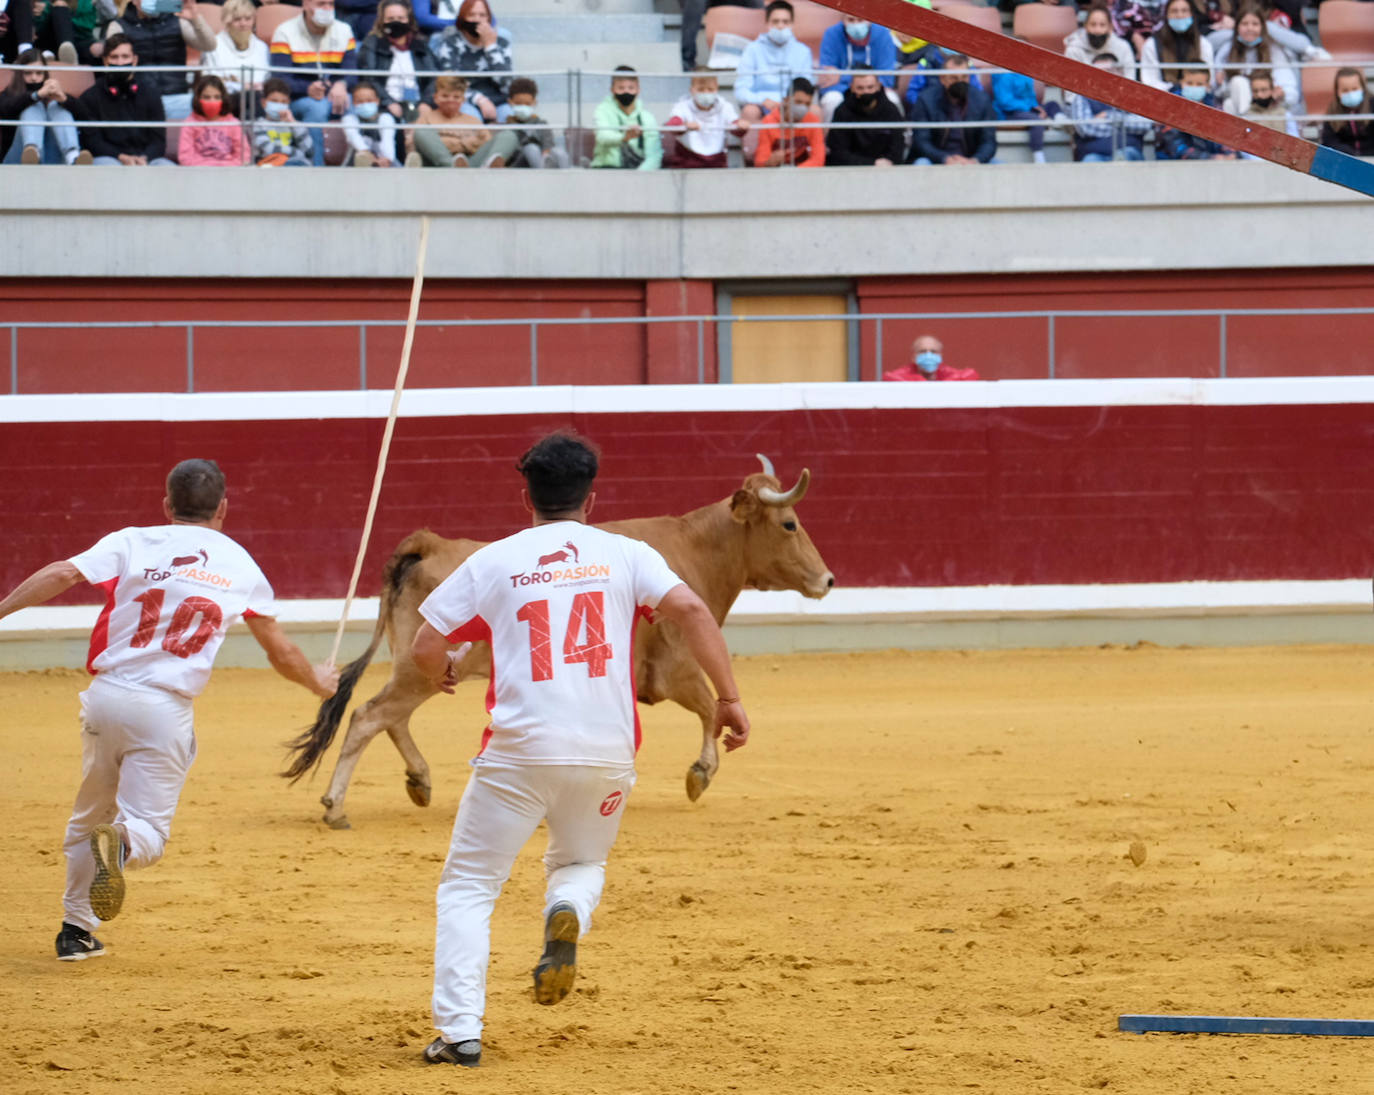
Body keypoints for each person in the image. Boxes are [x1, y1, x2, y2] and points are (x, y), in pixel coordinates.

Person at [412, 431, 749, 1068]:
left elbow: (428, 645)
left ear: (526, 497)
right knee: (579, 864)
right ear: (591, 501)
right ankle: (566, 907)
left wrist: (441, 673)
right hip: (606, 752)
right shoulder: (628, 554)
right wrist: (727, 699)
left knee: (470, 886)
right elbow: (696, 614)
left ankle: (459, 1033)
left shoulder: (496, 560)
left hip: (517, 751)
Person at [0, 459, 339, 962]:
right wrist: (320, 682)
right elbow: (280, 652)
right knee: (146, 831)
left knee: (87, 816)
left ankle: (75, 931)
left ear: (166, 504)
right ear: (223, 507)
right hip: (163, 708)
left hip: (106, 696)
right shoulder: (240, 564)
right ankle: (122, 844)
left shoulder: (134, 539)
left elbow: (62, 572)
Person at [269, 0, 358, 167]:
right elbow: (279, 79)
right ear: (305, 4)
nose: (327, 9)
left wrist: (342, 84)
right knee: (316, 108)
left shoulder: (344, 30)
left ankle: (361, 159)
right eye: (321, 4)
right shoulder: (284, 32)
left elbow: (352, 74)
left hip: (333, 95)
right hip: (298, 99)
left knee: (355, 103)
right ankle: (316, 168)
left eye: (331, 4)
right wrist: (306, 89)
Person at [68, 33, 175, 165]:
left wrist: (145, 158)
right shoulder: (90, 97)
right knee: (107, 165)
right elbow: (93, 142)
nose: (120, 63)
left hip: (146, 160)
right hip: (110, 159)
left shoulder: (151, 93)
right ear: (105, 61)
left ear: (134, 60)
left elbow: (158, 141)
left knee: (167, 167)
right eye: (114, 57)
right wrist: (120, 156)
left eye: (125, 57)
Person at [104, 0, 215, 122]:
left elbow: (209, 46)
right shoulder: (119, 26)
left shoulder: (178, 21)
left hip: (177, 97)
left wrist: (195, 18)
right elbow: (111, 60)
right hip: (139, 99)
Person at [734, 0, 813, 156]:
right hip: (761, 104)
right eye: (775, 21)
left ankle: (807, 156)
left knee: (815, 110)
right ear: (767, 24)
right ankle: (755, 159)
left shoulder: (803, 51)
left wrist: (787, 103)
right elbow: (740, 91)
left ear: (792, 24)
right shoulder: (752, 50)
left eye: (785, 21)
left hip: (792, 103)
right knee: (749, 111)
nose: (780, 26)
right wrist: (763, 100)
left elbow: (805, 88)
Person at [1, 46, 92, 164]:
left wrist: (64, 99)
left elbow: (86, 116)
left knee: (56, 105)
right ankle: (32, 151)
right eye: (28, 73)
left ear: (45, 73)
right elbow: (4, 108)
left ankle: (72, 156)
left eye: (39, 73)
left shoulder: (53, 93)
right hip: (17, 157)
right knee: (33, 106)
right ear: (20, 73)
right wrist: (35, 96)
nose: (34, 78)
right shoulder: (10, 93)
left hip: (52, 156)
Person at [405, 72, 515, 166]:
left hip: (470, 164)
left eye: (456, 97)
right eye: (445, 96)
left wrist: (448, 143)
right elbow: (414, 146)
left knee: (508, 135)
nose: (450, 100)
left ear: (463, 99)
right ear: (436, 97)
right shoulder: (426, 118)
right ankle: (452, 166)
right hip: (438, 166)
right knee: (421, 131)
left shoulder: (473, 121)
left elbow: (485, 144)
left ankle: (484, 168)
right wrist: (465, 144)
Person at [356, 0, 437, 124]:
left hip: (418, 103)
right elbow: (369, 78)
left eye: (401, 18)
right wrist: (388, 102)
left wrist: (426, 102)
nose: (396, 22)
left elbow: (434, 77)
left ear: (409, 20)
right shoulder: (372, 44)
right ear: (382, 21)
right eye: (390, 18)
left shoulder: (421, 45)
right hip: (385, 106)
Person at [908, 53, 996, 166]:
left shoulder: (982, 100)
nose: (960, 82)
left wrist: (975, 160)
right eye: (954, 78)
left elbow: (988, 141)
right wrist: (945, 159)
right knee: (921, 164)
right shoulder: (926, 100)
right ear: (942, 79)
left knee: (1000, 166)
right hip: (936, 160)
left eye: (964, 77)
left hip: (970, 160)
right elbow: (921, 141)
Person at [430, 0, 512, 122]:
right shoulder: (450, 43)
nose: (477, 20)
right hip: (463, 100)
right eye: (472, 15)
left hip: (498, 101)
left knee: (510, 118)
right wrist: (480, 100)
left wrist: (490, 47)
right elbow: (451, 83)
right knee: (472, 120)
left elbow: (506, 84)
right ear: (463, 18)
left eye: (482, 15)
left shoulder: (501, 43)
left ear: (489, 19)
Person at [1213, 5, 1297, 117]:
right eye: (1245, 24)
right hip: (1237, 106)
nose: (1250, 28)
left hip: (1266, 107)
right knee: (1231, 98)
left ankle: (1250, 125)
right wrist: (1221, 83)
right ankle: (1249, 124)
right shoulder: (1227, 50)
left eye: (1255, 24)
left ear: (1262, 27)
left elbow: (1290, 90)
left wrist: (1282, 94)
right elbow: (1216, 91)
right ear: (1237, 27)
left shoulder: (1273, 51)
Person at [816, 12, 897, 125]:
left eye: (860, 20)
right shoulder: (831, 34)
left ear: (869, 20)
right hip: (842, 91)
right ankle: (829, 142)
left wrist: (841, 76)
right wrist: (857, 83)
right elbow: (826, 79)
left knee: (892, 99)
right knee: (831, 100)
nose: (856, 24)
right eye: (851, 20)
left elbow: (887, 79)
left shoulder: (883, 34)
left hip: (873, 90)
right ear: (843, 19)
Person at [1069, 53, 1152, 161]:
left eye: (1108, 72)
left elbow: (1145, 125)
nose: (1102, 76)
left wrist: (1108, 116)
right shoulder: (1081, 97)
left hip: (1127, 151)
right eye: (1097, 72)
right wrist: (1122, 127)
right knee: (1091, 161)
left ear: (1120, 73)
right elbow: (1086, 128)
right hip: (1093, 154)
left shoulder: (1133, 97)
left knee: (1126, 155)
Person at [664, 69, 747, 169]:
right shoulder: (682, 106)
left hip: (717, 161)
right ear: (692, 90)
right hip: (688, 160)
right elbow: (672, 126)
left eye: (710, 89)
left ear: (717, 89)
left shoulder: (725, 107)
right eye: (701, 89)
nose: (706, 93)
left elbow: (737, 129)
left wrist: (742, 126)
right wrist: (684, 126)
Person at [825, 66, 903, 167]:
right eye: (860, 88)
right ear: (852, 87)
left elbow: (897, 150)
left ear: (878, 86)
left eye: (870, 87)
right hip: (850, 172)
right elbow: (837, 153)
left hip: (885, 170)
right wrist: (872, 163)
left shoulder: (891, 111)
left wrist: (884, 163)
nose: (866, 92)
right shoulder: (842, 112)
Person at [1155, 67, 1236, 158]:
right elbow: (1174, 146)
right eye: (1189, 83)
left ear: (1207, 85)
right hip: (1175, 164)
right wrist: (1210, 158)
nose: (1194, 87)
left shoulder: (1214, 105)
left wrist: (1229, 153)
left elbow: (1223, 135)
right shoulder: (1170, 106)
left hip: (1210, 163)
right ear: (1181, 82)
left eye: (1199, 84)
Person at [592, 65, 661, 170]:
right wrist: (624, 137)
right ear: (612, 89)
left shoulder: (647, 118)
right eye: (621, 88)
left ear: (638, 89)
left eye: (631, 88)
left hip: (639, 175)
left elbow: (654, 155)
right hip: (606, 170)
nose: (626, 92)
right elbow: (602, 137)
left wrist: (636, 178)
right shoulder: (602, 111)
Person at [200, 0, 271, 100]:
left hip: (257, 100)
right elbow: (211, 84)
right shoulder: (214, 45)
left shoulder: (262, 47)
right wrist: (242, 87)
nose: (243, 24)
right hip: (226, 100)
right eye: (237, 19)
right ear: (227, 22)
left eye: (248, 19)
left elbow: (267, 80)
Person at [990, 67, 1061, 165]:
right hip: (1009, 113)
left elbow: (1030, 95)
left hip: (1027, 109)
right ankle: (1038, 156)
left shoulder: (1024, 72)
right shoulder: (1003, 75)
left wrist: (1036, 108)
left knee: (1053, 105)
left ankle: (1060, 122)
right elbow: (1005, 102)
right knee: (1035, 120)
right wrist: (1031, 109)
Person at [1140, 0, 1214, 93]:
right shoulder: (1152, 44)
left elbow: (1209, 79)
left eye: (1184, 11)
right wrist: (1175, 89)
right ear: (1166, 15)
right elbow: (1149, 81)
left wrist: (1191, 88)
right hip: (1163, 97)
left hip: (1197, 98)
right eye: (1174, 11)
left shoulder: (1203, 44)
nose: (1180, 15)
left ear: (1191, 14)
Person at [753, 75, 823, 167]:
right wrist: (770, 162)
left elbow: (818, 159)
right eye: (798, 102)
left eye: (807, 104)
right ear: (786, 100)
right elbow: (760, 162)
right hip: (775, 176)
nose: (803, 107)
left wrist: (794, 173)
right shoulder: (769, 122)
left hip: (804, 176)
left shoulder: (813, 121)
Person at [1064, 4, 1135, 94]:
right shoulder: (1074, 49)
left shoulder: (1123, 48)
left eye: (1102, 25)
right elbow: (1070, 90)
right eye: (1093, 25)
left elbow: (1130, 83)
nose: (1097, 30)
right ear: (1085, 26)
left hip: (1116, 100)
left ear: (1110, 28)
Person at [178, 72, 247, 165]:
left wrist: (224, 167)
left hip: (229, 173)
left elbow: (244, 156)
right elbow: (185, 157)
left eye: (217, 97)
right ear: (198, 98)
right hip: (198, 174)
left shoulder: (233, 124)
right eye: (207, 97)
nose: (212, 101)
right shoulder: (190, 123)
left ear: (223, 98)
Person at [505, 76, 567, 168]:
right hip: (517, 166)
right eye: (518, 103)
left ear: (534, 102)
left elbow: (548, 146)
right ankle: (542, 177)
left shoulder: (541, 124)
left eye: (527, 104)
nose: (523, 107)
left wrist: (545, 155)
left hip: (540, 161)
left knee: (559, 152)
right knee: (531, 148)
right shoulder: (507, 127)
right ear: (510, 102)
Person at [254, 76, 314, 166]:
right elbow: (269, 150)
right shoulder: (258, 125)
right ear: (263, 102)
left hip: (295, 165)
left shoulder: (293, 125)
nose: (279, 105)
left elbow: (309, 151)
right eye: (274, 101)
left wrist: (293, 124)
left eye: (283, 102)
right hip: (271, 166)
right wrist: (298, 153)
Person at [1320, 68, 1374, 158]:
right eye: (1345, 90)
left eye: (1354, 89)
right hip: (1345, 161)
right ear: (1337, 92)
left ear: (1363, 88)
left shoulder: (1372, 106)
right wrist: (1349, 154)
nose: (1350, 93)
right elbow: (1329, 140)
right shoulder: (1333, 111)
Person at [341, 78, 397, 165]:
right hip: (357, 161)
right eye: (359, 101)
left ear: (377, 101)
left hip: (383, 161)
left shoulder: (385, 118)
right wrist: (366, 154)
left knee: (394, 164)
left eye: (369, 101)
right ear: (353, 103)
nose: (364, 104)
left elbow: (388, 139)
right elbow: (353, 137)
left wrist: (386, 159)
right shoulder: (349, 119)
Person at [883, 335, 980, 382]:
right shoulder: (906, 372)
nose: (928, 356)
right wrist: (920, 382)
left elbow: (971, 374)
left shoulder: (944, 371)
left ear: (940, 356)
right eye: (923, 351)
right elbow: (888, 377)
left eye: (933, 352)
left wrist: (942, 385)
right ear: (914, 357)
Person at [32, 0, 92, 65]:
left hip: (76, 40)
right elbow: (36, 26)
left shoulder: (85, 2)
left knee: (60, 6)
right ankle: (65, 49)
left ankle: (67, 50)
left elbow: (87, 26)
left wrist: (64, 17)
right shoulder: (43, 3)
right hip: (45, 41)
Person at [1240, 70, 1294, 137]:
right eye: (1255, 91)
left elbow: (1296, 141)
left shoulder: (1285, 115)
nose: (1259, 95)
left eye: (1263, 90)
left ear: (1272, 90)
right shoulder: (1246, 117)